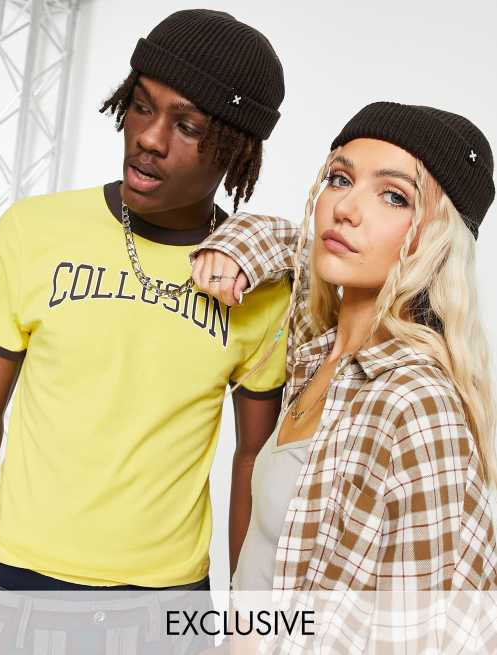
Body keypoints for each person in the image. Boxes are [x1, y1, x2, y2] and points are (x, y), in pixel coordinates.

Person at [0, 8, 290, 601]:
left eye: (188, 126)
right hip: (13, 585)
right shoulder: (32, 231)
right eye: (142, 106)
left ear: (236, 152)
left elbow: (253, 459)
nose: (149, 137)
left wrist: (247, 618)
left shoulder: (260, 288)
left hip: (165, 603)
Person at [193, 101, 497, 593]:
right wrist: (234, 249)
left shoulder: (414, 402)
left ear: (439, 241)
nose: (346, 209)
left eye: (394, 197)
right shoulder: (320, 352)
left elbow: (423, 623)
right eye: (339, 179)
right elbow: (293, 244)